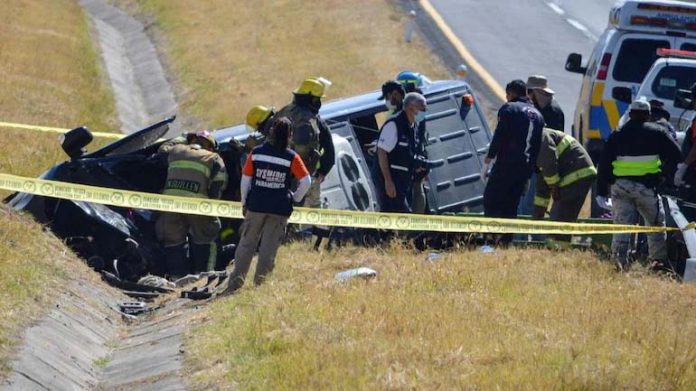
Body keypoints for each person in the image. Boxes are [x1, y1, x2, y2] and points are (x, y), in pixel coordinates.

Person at [226, 117, 311, 292]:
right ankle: (260, 286)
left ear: (271, 132)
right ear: (290, 135)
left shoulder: (256, 152)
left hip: (256, 205)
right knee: (268, 248)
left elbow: (245, 180)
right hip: (280, 208)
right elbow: (306, 181)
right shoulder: (291, 157)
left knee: (246, 244)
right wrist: (295, 198)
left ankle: (235, 284)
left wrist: (244, 202)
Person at [596, 98, 681, 271]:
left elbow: (604, 163)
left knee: (622, 225)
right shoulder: (658, 132)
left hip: (621, 187)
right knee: (655, 225)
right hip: (647, 188)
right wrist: (664, 176)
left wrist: (601, 191)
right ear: (648, 115)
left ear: (630, 114)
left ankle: (619, 263)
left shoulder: (617, 134)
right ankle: (657, 263)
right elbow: (676, 155)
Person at [155, 130, 228, 278]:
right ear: (211, 147)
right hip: (198, 207)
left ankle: (177, 279)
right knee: (207, 237)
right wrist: (212, 206)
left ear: (191, 139)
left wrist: (181, 137)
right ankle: (204, 277)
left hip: (170, 205)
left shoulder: (175, 151)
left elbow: (162, 150)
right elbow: (219, 184)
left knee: (173, 240)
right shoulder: (213, 158)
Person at [482, 79, 544, 244]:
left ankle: (490, 239)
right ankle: (505, 241)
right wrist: (530, 171)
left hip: (506, 165)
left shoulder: (509, 109)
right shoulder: (538, 115)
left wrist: (488, 159)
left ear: (511, 93)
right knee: (511, 206)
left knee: (491, 200)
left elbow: (500, 136)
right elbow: (537, 147)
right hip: (524, 169)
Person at [275, 77, 335, 211]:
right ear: (312, 99)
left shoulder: (283, 111)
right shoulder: (312, 120)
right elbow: (329, 148)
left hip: (275, 174)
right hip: (302, 178)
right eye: (317, 99)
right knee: (309, 213)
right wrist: (323, 170)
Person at [533, 128, 596, 240]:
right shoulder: (536, 141)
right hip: (572, 175)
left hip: (577, 174)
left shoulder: (541, 136)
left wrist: (553, 186)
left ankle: (558, 251)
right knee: (558, 218)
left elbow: (548, 165)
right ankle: (555, 250)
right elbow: (543, 180)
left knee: (559, 220)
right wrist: (539, 210)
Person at [519, 75, 564, 219]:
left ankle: (523, 239)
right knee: (532, 204)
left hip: (539, 167)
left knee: (527, 205)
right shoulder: (553, 109)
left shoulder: (546, 111)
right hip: (539, 165)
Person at [375, 92, 427, 212]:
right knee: (401, 215)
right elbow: (381, 151)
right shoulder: (394, 125)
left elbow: (407, 152)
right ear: (410, 108)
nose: (424, 112)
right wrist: (388, 181)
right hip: (390, 181)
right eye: (422, 109)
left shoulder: (413, 126)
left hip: (403, 182)